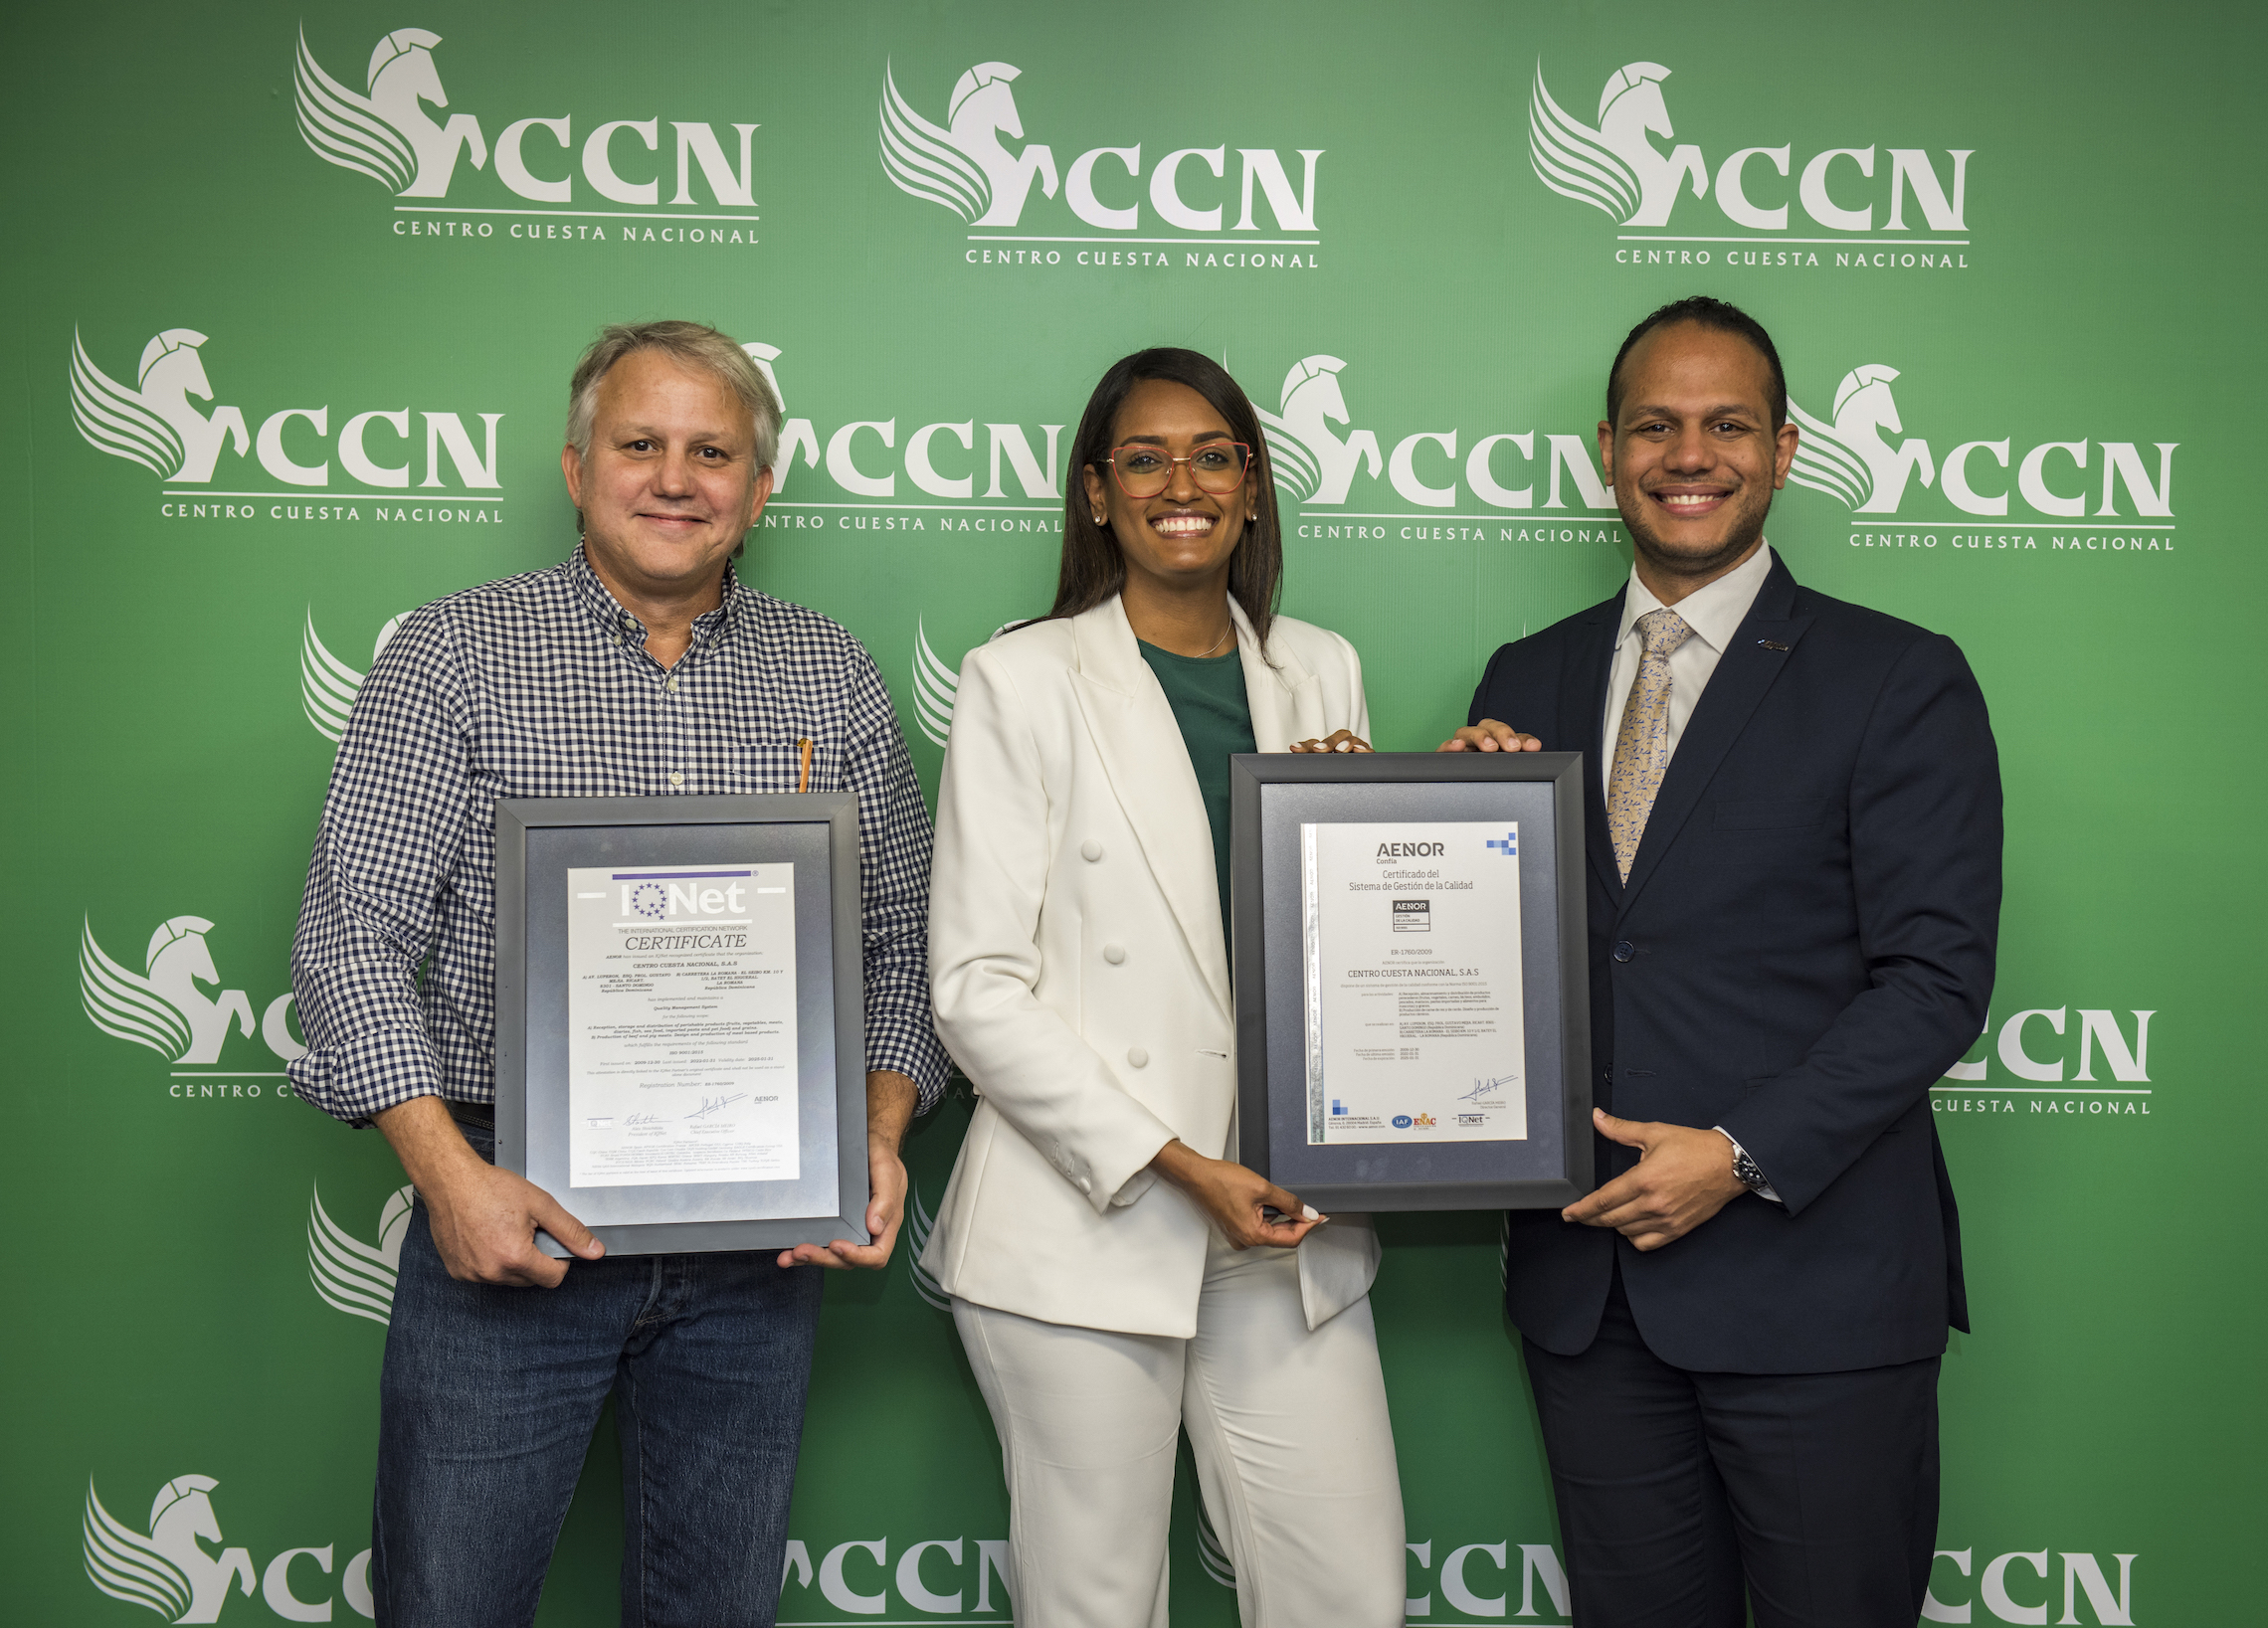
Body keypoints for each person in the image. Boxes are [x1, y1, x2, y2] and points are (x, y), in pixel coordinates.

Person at [286, 320, 949, 1627]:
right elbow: (348, 936)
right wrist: (453, 1182)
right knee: (451, 1604)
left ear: (760, 487)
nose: (675, 478)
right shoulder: (454, 653)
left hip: (763, 1237)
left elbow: (899, 942)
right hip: (508, 1207)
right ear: (578, 467)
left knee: (718, 1608)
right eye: (641, 443)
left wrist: (874, 1134)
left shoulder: (831, 672)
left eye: (713, 452)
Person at [1441, 295, 1999, 1628]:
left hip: (1817, 1291)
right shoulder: (1526, 676)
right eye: (1655, 426)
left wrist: (1741, 1152)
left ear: (1785, 449)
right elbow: (1502, 973)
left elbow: (1935, 981)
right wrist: (1447, 834)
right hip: (1592, 1298)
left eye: (1727, 425)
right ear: (1607, 450)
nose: (1688, 455)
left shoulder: (1897, 676)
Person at [921, 348, 1406, 1627]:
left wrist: (1440, 812)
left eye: (1212, 456)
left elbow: (1355, 943)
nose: (1180, 484)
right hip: (1091, 1218)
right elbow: (974, 986)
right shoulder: (1021, 678)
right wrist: (1181, 1162)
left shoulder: (1320, 667)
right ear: (1098, 492)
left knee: (1347, 1592)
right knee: (1095, 1602)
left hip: (1288, 1221)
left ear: (1252, 485)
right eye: (1144, 458)